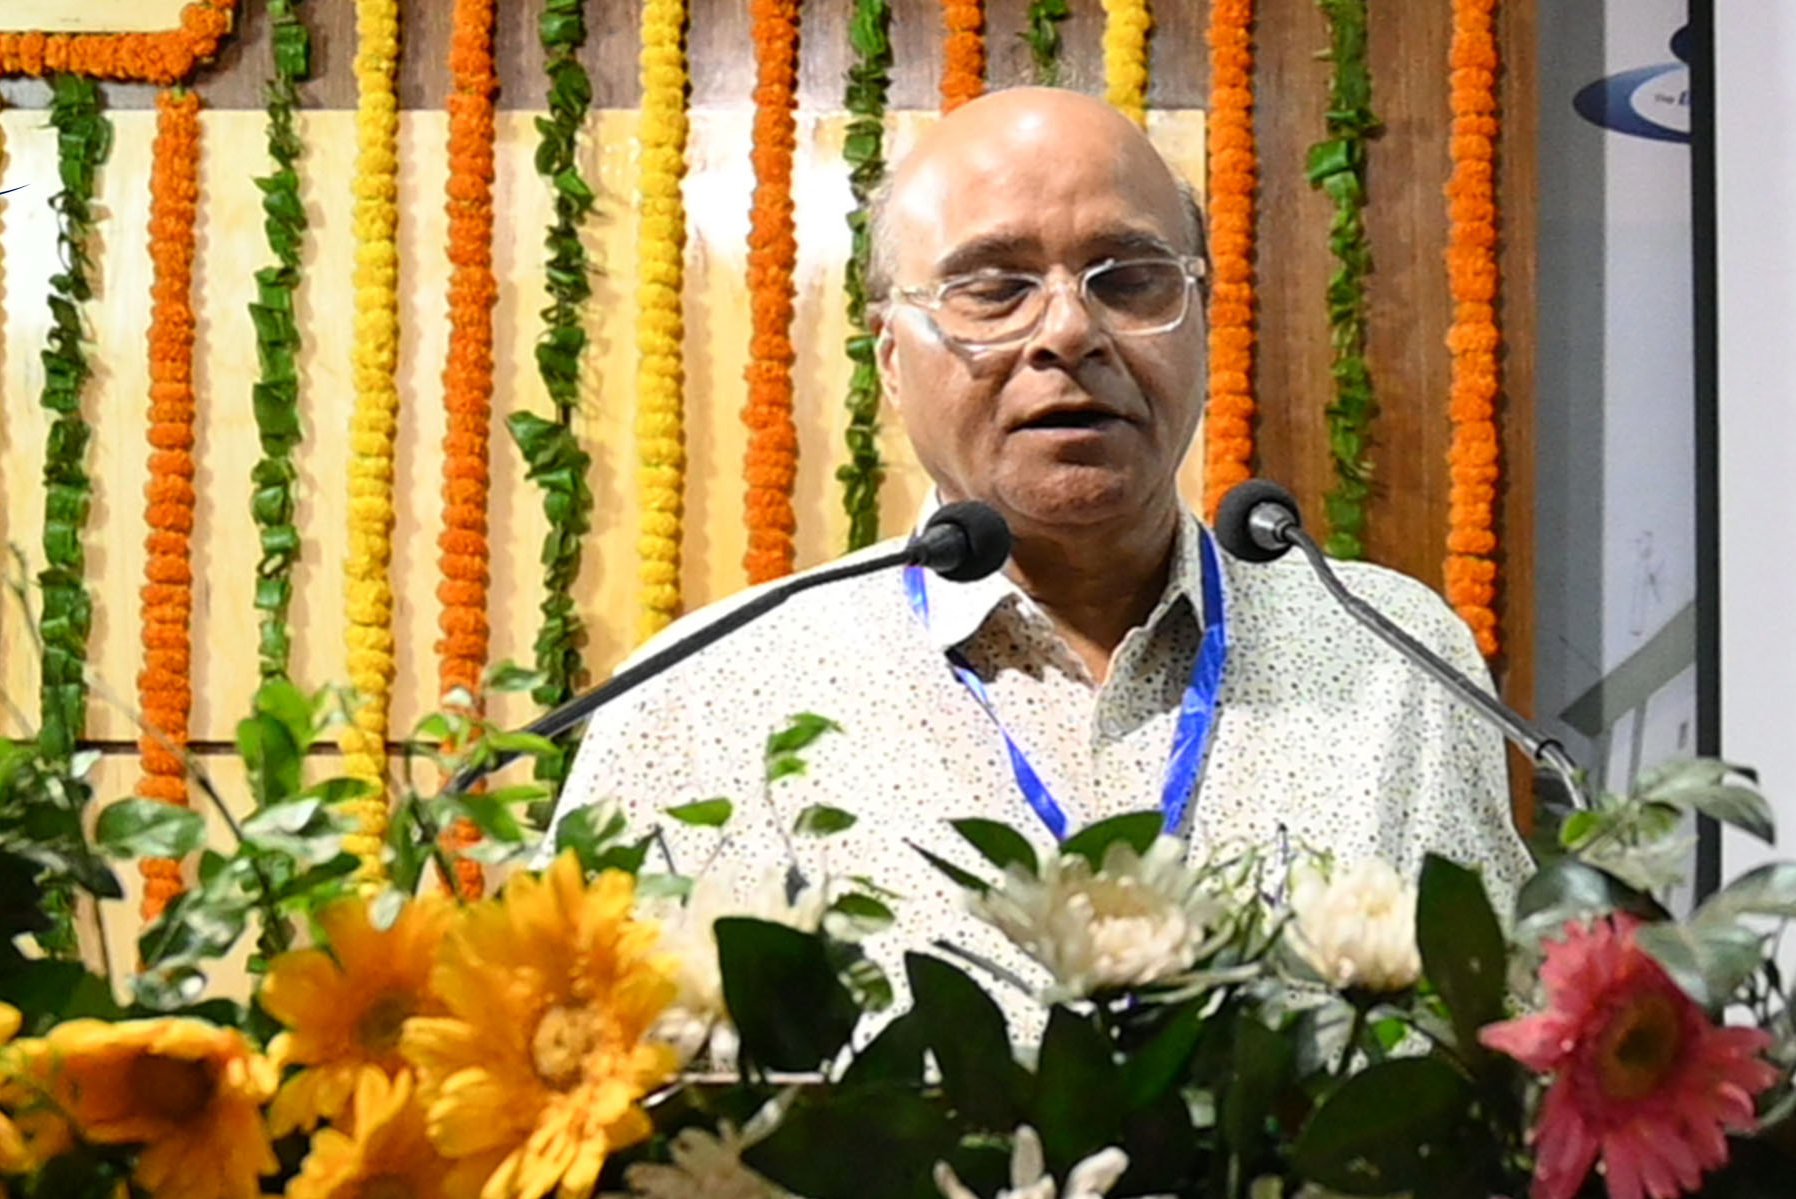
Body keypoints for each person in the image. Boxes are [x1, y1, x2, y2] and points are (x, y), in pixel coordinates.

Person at [559, 88, 1533, 1021]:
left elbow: (1498, 1048)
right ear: (891, 355)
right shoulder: (706, 698)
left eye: (1130, 279)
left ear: (1200, 320)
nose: (1069, 331)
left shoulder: (1391, 659)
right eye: (993, 288)